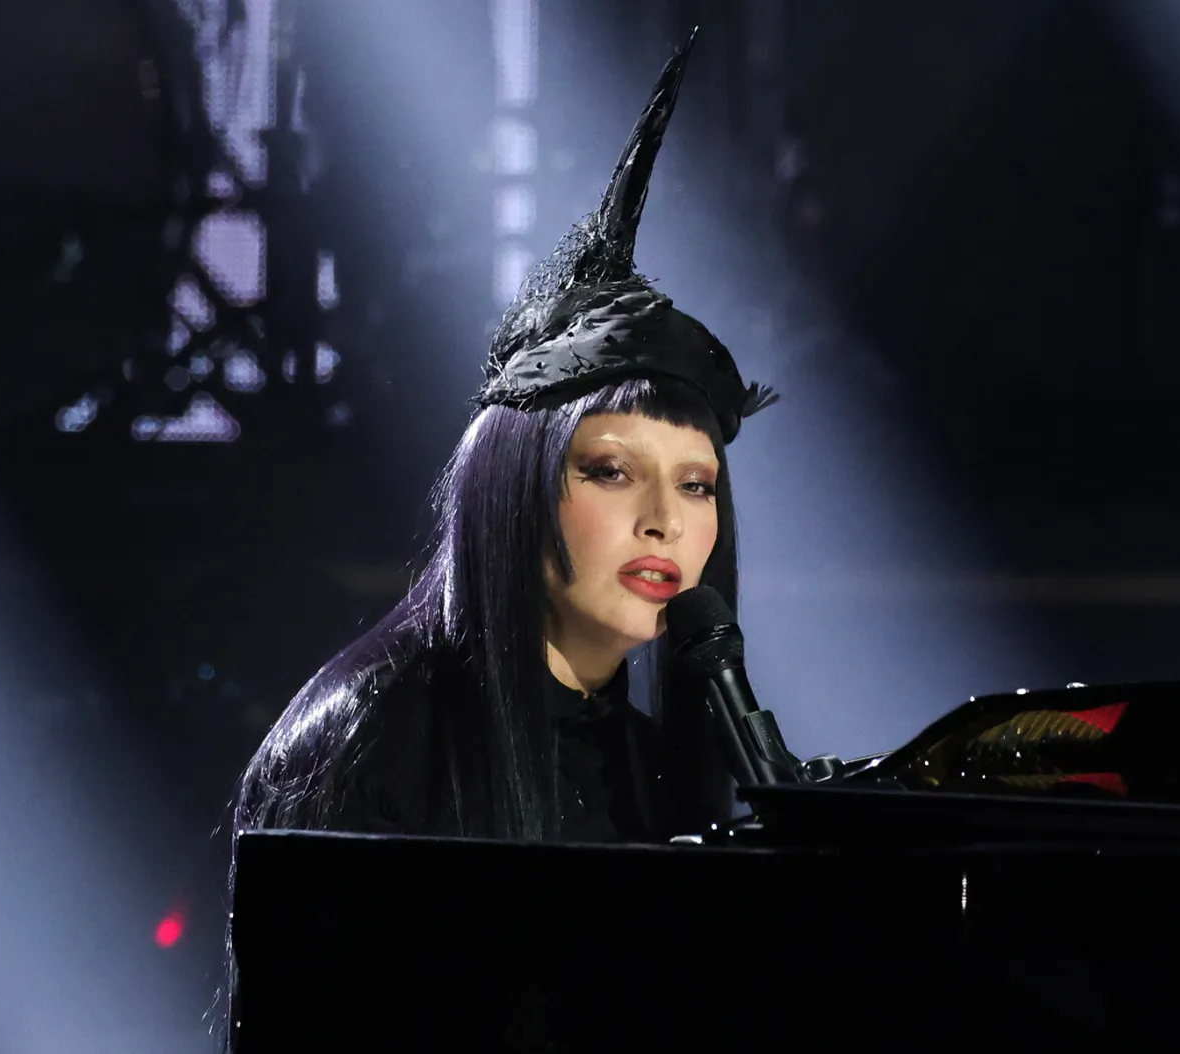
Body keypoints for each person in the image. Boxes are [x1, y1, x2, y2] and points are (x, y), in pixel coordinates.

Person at [221, 28, 777, 1046]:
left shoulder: (653, 768)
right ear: (520, 487)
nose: (665, 519)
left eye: (696, 485)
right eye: (610, 471)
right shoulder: (378, 732)